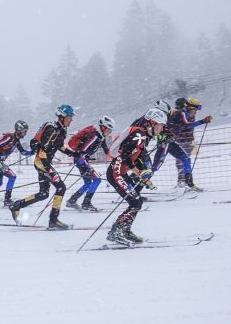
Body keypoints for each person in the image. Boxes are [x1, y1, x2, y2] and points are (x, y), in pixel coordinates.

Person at [105, 108, 167, 244]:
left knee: (137, 202)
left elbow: (136, 158)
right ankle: (115, 231)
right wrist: (138, 172)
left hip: (120, 172)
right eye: (161, 125)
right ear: (152, 123)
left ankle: (125, 230)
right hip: (116, 173)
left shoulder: (142, 135)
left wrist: (143, 176)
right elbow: (125, 155)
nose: (161, 129)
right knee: (135, 202)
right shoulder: (139, 135)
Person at [10, 104, 77, 229]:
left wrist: (73, 154)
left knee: (43, 194)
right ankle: (53, 220)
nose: (71, 120)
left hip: (43, 163)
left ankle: (16, 206)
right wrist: (46, 166)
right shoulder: (53, 130)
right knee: (61, 187)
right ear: (61, 117)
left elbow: (60, 146)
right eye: (69, 117)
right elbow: (42, 149)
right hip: (42, 163)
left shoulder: (61, 130)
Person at [65, 115, 114, 211]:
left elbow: (107, 151)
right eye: (109, 129)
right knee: (97, 179)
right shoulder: (95, 136)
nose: (110, 132)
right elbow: (83, 149)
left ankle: (72, 200)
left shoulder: (101, 137)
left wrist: (117, 157)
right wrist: (83, 160)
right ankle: (86, 203)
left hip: (81, 160)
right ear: (103, 127)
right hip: (81, 159)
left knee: (88, 183)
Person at [0, 120, 34, 207]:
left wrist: (34, 151)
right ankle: (7, 199)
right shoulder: (10, 137)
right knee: (12, 176)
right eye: (24, 131)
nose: (25, 134)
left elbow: (23, 152)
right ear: (19, 130)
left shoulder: (16, 141)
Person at [168, 97, 212, 185]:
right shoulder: (180, 114)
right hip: (180, 141)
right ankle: (183, 182)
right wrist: (202, 121)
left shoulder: (185, 114)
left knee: (183, 161)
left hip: (185, 141)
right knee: (182, 161)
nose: (195, 112)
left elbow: (188, 127)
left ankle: (184, 182)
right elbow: (186, 126)